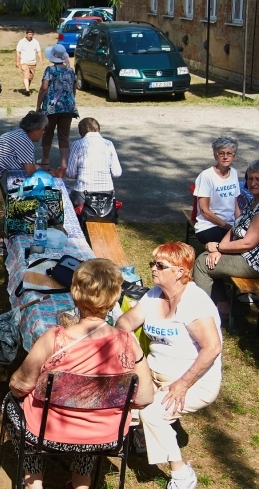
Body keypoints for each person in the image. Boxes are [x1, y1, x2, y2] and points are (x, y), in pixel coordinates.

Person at [8, 259, 154, 489]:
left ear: (75, 294)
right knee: (95, 413)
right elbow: (145, 397)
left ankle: (34, 481)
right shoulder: (129, 343)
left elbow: (19, 385)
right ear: (115, 297)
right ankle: (81, 482)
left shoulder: (54, 339)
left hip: (47, 433)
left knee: (10, 405)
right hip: (104, 436)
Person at [118, 242, 222, 489]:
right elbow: (125, 322)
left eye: (160, 265)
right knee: (123, 402)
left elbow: (212, 348)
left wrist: (183, 384)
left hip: (194, 381)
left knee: (152, 413)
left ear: (180, 271)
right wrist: (131, 344)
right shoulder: (154, 294)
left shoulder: (194, 302)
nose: (153, 269)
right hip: (152, 374)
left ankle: (182, 474)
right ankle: (139, 439)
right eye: (152, 264)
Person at [0, 111, 48, 254]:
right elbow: (30, 171)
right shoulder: (25, 142)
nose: (43, 133)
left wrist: (41, 169)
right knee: (0, 207)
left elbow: (27, 164)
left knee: (1, 203)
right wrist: (47, 172)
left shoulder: (20, 134)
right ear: (35, 130)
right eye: (43, 130)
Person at [193, 160, 259, 319]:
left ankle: (202, 317)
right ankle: (220, 307)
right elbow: (235, 227)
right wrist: (219, 249)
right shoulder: (253, 201)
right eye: (250, 178)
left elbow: (248, 243)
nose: (253, 183)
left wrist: (218, 247)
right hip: (244, 254)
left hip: (253, 263)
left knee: (202, 264)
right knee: (208, 258)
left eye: (258, 179)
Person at [36, 43, 78, 177]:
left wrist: (38, 105)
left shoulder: (50, 70)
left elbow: (44, 88)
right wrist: (70, 100)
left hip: (52, 107)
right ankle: (63, 163)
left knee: (47, 133)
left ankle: (45, 159)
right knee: (64, 135)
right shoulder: (70, 71)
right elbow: (74, 88)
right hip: (68, 107)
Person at [65, 117, 122, 208]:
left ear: (81, 132)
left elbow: (70, 174)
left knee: (66, 199)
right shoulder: (109, 144)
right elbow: (117, 173)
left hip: (83, 194)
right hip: (107, 194)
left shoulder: (77, 144)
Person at [193, 136, 240, 246]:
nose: (225, 157)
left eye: (229, 153)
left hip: (230, 225)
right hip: (209, 226)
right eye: (221, 153)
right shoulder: (206, 176)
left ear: (234, 156)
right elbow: (205, 211)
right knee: (241, 243)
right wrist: (229, 227)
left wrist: (240, 223)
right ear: (215, 155)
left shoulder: (234, 173)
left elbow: (235, 205)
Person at [15, 28, 43, 96]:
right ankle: (27, 90)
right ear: (26, 34)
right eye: (29, 34)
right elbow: (18, 52)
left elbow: (38, 51)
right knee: (26, 76)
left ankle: (26, 87)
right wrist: (17, 61)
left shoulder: (35, 42)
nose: (31, 36)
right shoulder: (21, 42)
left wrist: (41, 59)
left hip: (33, 62)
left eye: (32, 34)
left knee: (30, 77)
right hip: (24, 62)